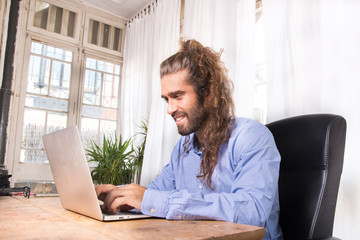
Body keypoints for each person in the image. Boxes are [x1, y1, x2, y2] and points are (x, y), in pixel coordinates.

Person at [96, 39, 283, 240]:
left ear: (209, 93)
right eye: (166, 99)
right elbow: (156, 193)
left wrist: (156, 200)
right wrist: (122, 195)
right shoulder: (182, 148)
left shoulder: (251, 137)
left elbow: (253, 213)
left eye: (177, 96)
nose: (170, 109)